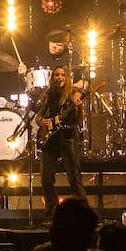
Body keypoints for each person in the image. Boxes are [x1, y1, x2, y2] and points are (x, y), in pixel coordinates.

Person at [36, 64, 86, 215]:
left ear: (67, 78)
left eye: (62, 75)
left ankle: (82, 211)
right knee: (45, 176)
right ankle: (52, 209)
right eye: (56, 75)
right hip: (51, 136)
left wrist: (80, 108)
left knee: (74, 175)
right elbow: (39, 114)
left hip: (68, 135)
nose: (59, 77)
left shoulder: (73, 94)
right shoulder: (49, 94)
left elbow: (78, 121)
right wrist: (41, 122)